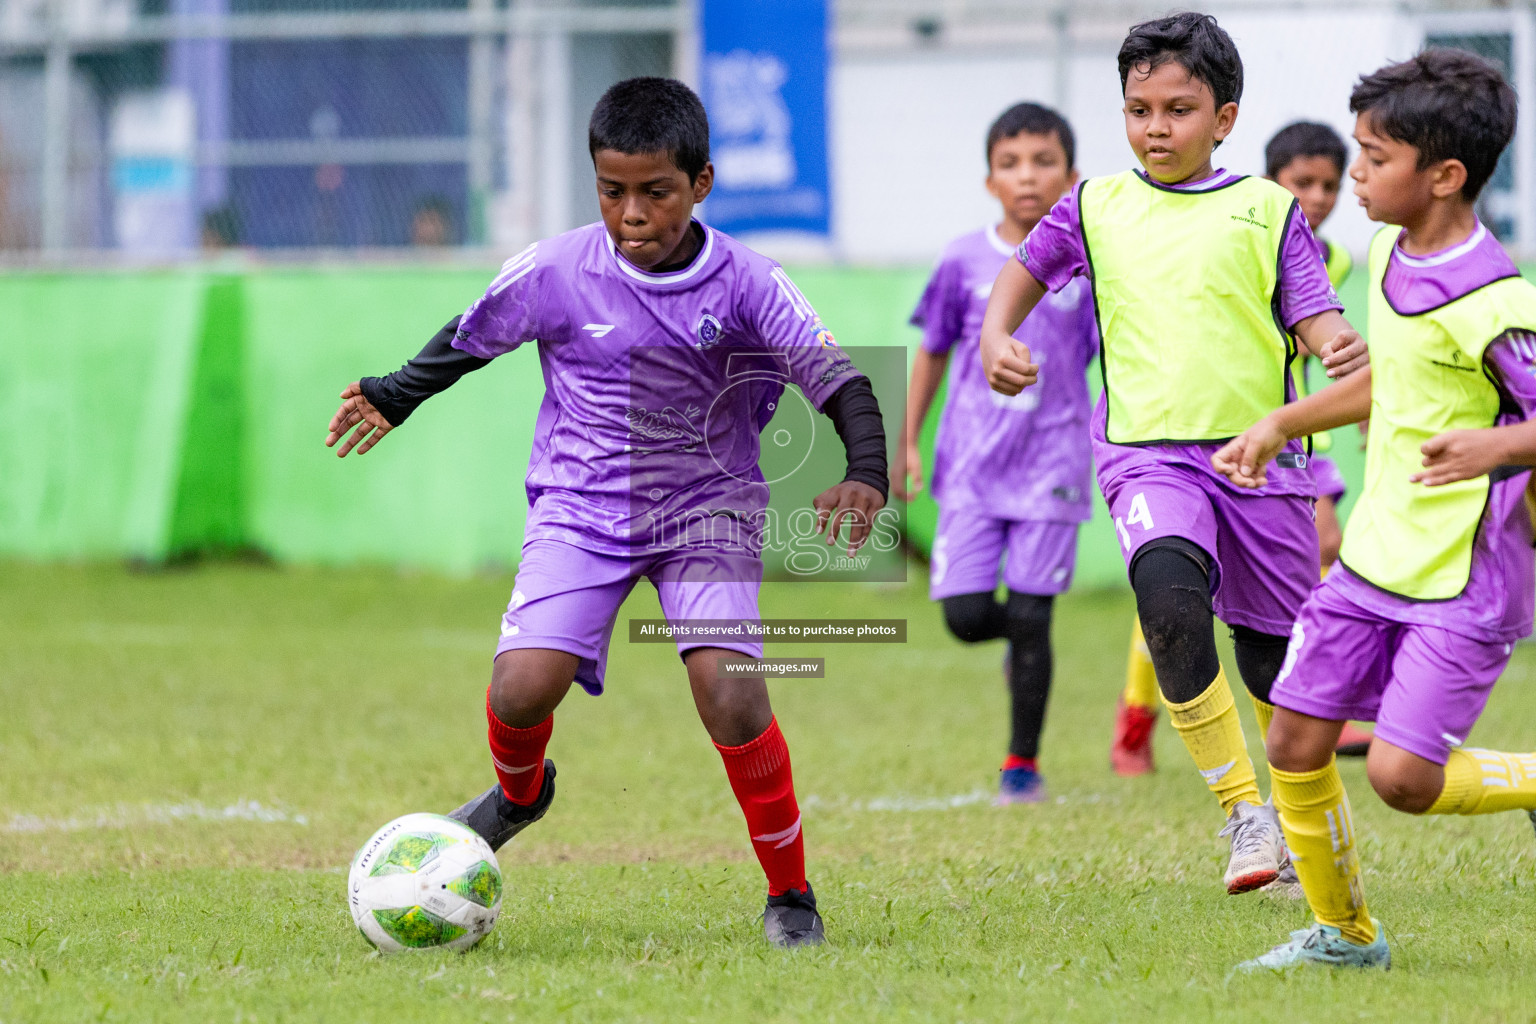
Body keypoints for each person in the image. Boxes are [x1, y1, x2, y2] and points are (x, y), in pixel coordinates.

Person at [324, 78, 890, 949]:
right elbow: (472, 333)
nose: (632, 213)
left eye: (655, 192)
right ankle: (518, 796)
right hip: (582, 510)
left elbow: (839, 378)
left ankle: (792, 897)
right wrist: (394, 394)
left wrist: (866, 470)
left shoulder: (749, 282)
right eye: (612, 190)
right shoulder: (559, 268)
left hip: (709, 512)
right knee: (519, 688)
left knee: (730, 696)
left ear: (701, 182)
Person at [979, 12, 1368, 895]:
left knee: (1276, 668)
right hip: (1146, 456)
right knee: (1170, 605)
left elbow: (1313, 312)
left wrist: (1337, 342)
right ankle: (1243, 814)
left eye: (1179, 109)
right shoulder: (1094, 205)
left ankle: (1317, 828)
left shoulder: (1268, 210)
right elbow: (1024, 273)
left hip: (1263, 468)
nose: (1156, 128)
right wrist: (997, 335)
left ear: (1224, 118)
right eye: (1139, 109)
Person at [1219, 48, 1536, 972]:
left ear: (1444, 176)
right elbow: (1388, 391)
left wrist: (1499, 445)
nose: (1353, 175)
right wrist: (1283, 421)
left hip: (1467, 576)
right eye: (1356, 151)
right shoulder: (1389, 251)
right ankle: (1344, 936)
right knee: (1293, 737)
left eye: (1373, 158)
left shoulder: (1497, 301)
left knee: (1402, 779)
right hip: (1373, 555)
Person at [893, 103, 1098, 805]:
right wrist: (906, 444)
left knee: (1035, 615)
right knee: (967, 615)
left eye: (1043, 162)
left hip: (1054, 466)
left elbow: (1117, 356)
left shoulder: (1088, 267)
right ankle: (1023, 644)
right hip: (974, 468)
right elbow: (932, 352)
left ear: (1070, 177)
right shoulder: (961, 259)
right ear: (990, 181)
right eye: (1011, 164)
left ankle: (1022, 765)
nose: (1027, 176)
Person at [1266, 120, 1376, 758]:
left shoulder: (1331, 255)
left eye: (1330, 184)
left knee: (1327, 545)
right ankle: (1135, 719)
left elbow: (1330, 335)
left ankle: (1324, 704)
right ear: (1272, 181)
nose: (1319, 195)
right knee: (1188, 580)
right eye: (1302, 182)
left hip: (1306, 428)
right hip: (1250, 420)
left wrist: (1361, 399)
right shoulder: (1252, 238)